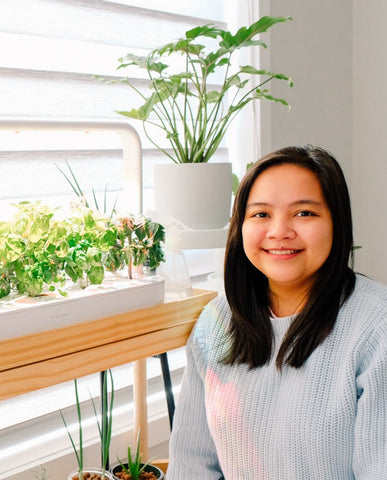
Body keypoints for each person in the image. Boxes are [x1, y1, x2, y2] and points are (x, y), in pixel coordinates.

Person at [166, 145, 387, 479]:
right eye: (261, 214)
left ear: (336, 223)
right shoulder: (216, 322)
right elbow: (192, 463)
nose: (279, 231)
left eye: (304, 213)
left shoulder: (376, 324)